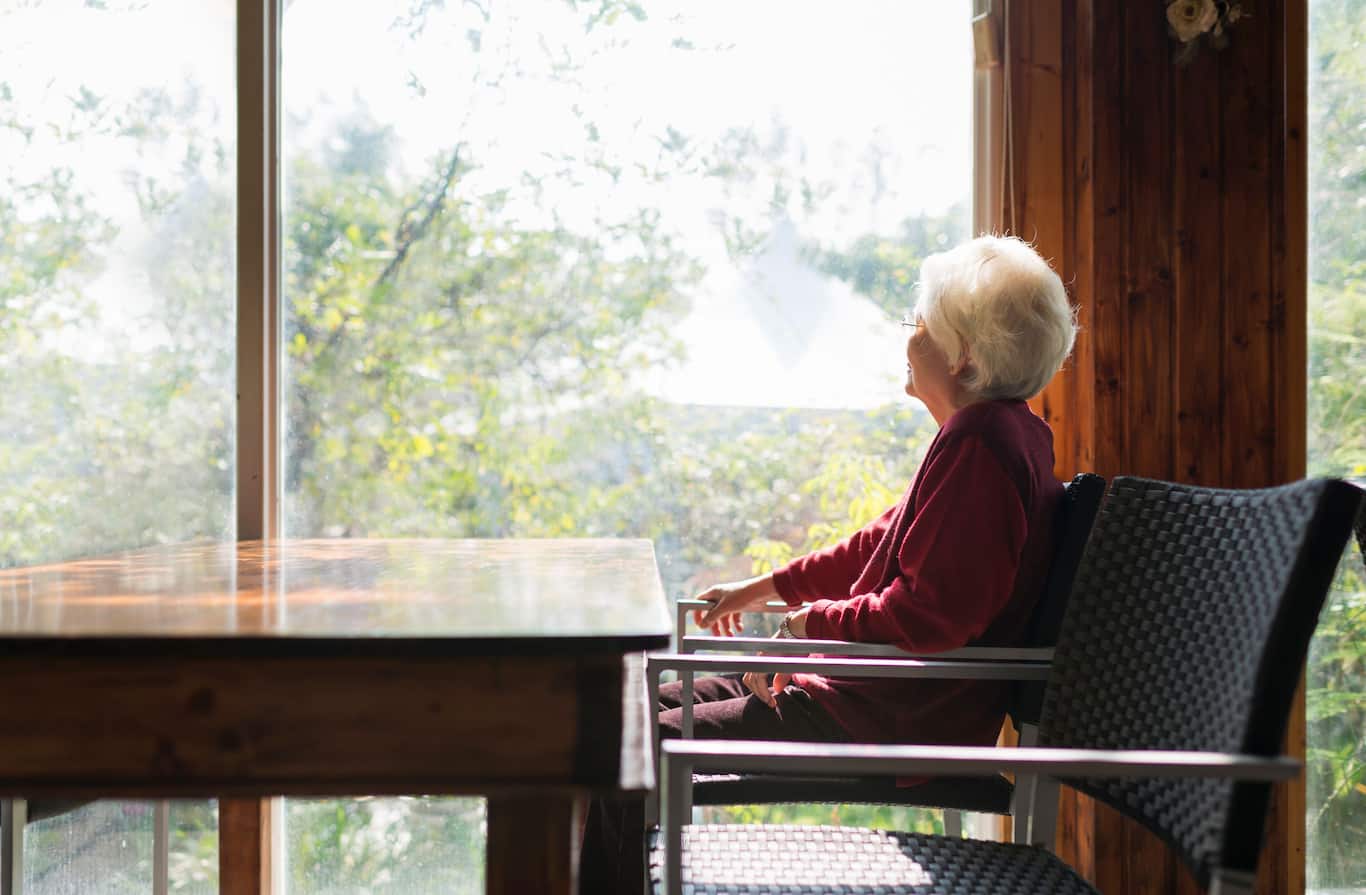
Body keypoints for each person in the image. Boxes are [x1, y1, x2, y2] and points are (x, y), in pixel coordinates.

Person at [578, 234, 1079, 895]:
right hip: (856, 694)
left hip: (879, 718)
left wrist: (803, 627)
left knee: (623, 752)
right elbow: (874, 546)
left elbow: (932, 615)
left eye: (920, 323)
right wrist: (765, 590)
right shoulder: (993, 435)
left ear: (961, 356)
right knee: (623, 716)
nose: (909, 336)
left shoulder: (982, 445)